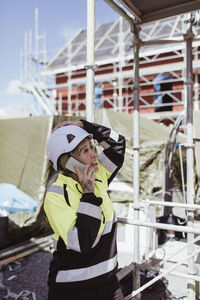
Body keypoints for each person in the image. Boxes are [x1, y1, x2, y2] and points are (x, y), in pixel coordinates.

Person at [44, 119, 126, 300]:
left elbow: (117, 144)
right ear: (67, 162)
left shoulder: (98, 175)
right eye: (85, 151)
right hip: (73, 289)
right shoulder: (56, 195)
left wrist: (86, 126)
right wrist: (88, 193)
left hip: (108, 283)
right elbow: (81, 242)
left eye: (92, 148)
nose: (94, 155)